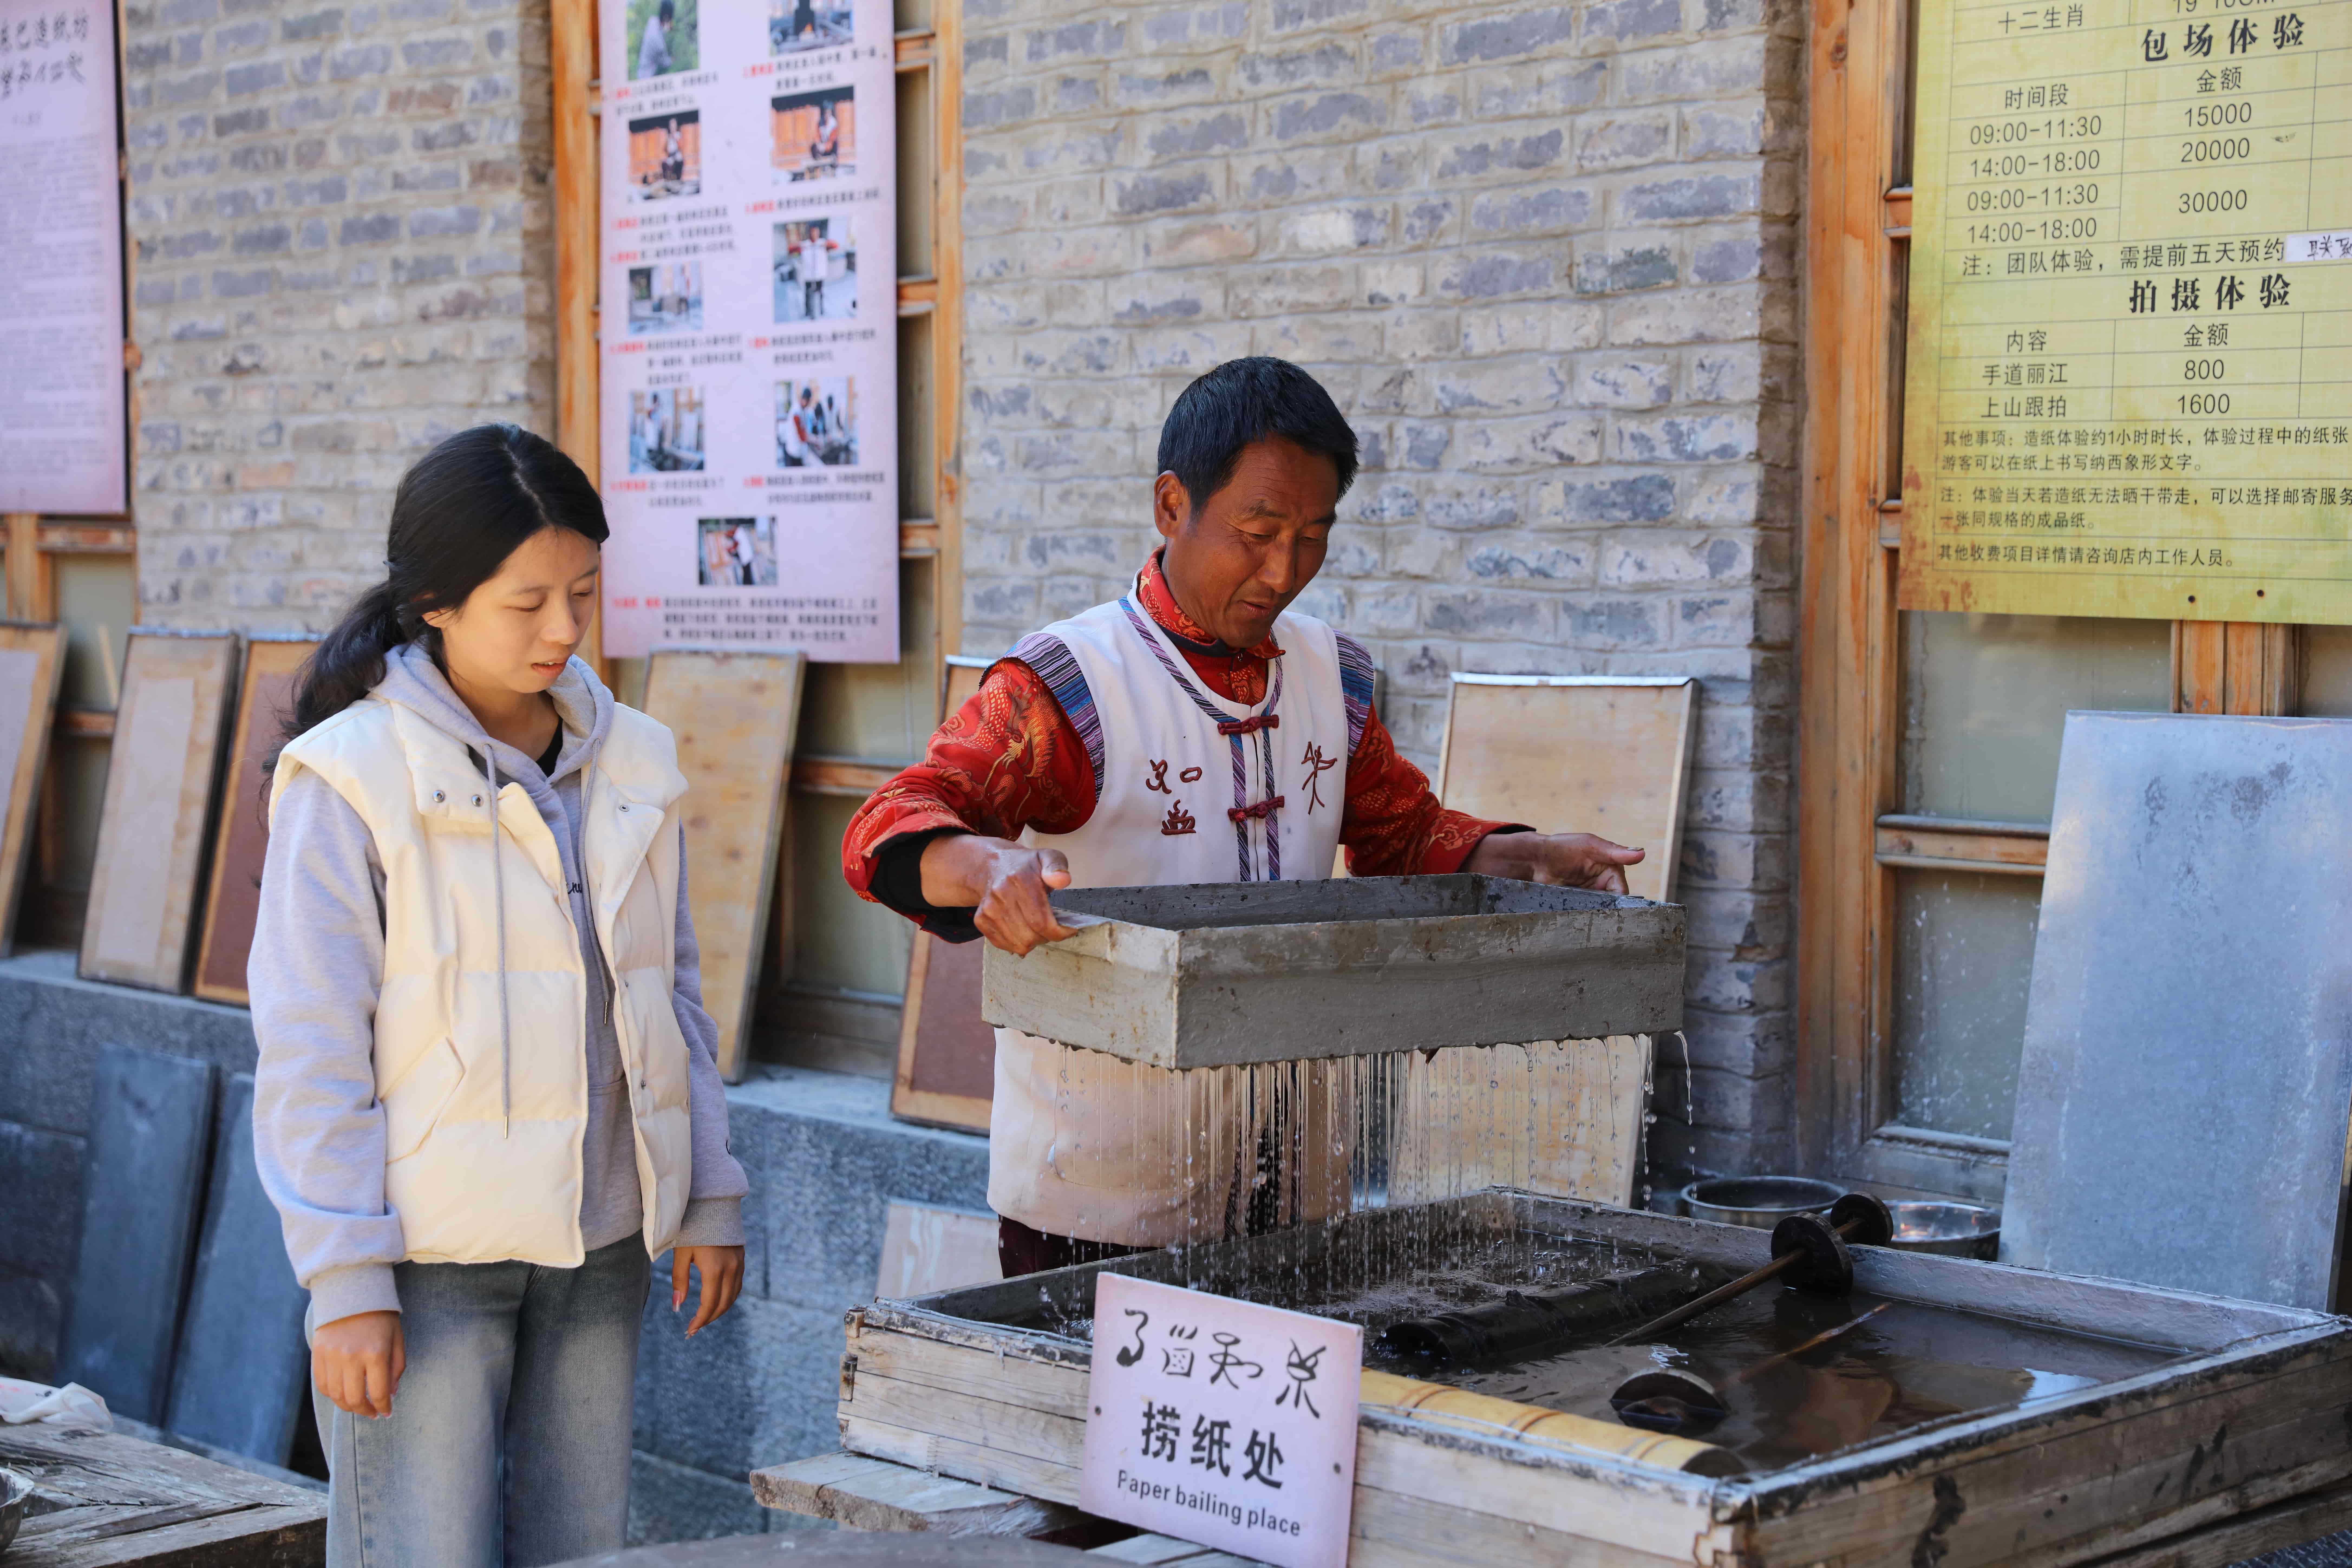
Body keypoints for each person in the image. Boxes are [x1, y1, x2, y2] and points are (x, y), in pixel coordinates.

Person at [842, 357, 1644, 1275]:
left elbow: (1406, 837)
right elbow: (889, 820)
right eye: (1257, 531)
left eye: (1311, 536)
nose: (1282, 570)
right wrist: (986, 869)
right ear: (1171, 505)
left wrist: (1533, 857)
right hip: (1102, 1186)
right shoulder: (1069, 686)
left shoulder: (1329, 676)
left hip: (1294, 1180)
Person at [251, 423, 749, 1568]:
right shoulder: (350, 778)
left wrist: (709, 1188)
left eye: (582, 589)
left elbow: (671, 993)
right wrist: (344, 1278)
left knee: (584, 1555)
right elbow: (311, 1044)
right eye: (526, 602)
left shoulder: (632, 758)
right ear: (435, 601)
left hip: (605, 1242)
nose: (565, 628)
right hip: (428, 1264)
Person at [636, 0, 672, 79]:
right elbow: (666, 63)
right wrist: (673, 60)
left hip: (641, 70)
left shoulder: (652, 21)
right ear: (667, 18)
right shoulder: (659, 44)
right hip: (648, 77)